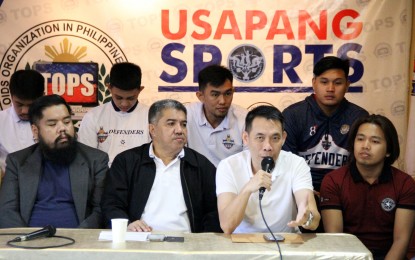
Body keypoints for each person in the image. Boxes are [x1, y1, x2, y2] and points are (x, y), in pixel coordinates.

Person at [101, 99, 221, 233]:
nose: (179, 130)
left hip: (186, 244)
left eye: (184, 124)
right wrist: (127, 224)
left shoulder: (201, 165)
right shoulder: (127, 162)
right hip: (139, 240)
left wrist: (201, 242)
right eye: (171, 124)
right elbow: (112, 204)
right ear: (152, 129)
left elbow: (214, 212)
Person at [0, 94, 109, 228]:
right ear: (35, 131)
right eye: (52, 124)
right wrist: (25, 241)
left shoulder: (96, 160)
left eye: (67, 121)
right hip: (29, 243)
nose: (62, 128)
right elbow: (7, 211)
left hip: (79, 242)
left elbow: (100, 210)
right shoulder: (17, 162)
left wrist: (80, 239)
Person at [320, 114, 415, 259]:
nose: (365, 146)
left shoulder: (404, 183)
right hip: (348, 257)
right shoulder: (333, 180)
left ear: (388, 150)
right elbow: (336, 239)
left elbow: (401, 240)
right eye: (360, 139)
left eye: (375, 141)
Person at [216, 105, 320, 234]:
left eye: (275, 138)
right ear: (246, 138)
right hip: (242, 245)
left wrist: (307, 219)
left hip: (285, 244)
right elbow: (227, 226)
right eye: (260, 138)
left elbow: (313, 217)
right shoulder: (228, 166)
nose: (268, 146)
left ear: (283, 138)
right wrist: (247, 189)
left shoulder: (296, 164)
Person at [282, 56, 369, 193]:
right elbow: (285, 164)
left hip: (346, 192)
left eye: (338, 83)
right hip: (301, 191)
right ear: (314, 83)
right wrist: (305, 192)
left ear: (347, 85)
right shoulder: (293, 115)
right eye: (324, 82)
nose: (330, 88)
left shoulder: (358, 117)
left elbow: (366, 165)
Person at [78, 62, 150, 166]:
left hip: (141, 178)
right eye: (119, 97)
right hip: (104, 178)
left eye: (131, 98)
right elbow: (86, 159)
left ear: (140, 90)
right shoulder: (93, 117)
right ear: (109, 88)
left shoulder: (152, 117)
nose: (124, 104)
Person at [185, 64, 247, 166]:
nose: (222, 101)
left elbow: (251, 162)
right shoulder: (185, 117)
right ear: (200, 96)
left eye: (228, 93)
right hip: (196, 180)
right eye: (215, 94)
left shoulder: (245, 119)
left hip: (233, 180)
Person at [0, 69, 45, 176]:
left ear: (42, 96)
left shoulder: (54, 121)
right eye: (19, 104)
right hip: (9, 188)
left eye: (30, 105)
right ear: (11, 96)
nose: (25, 111)